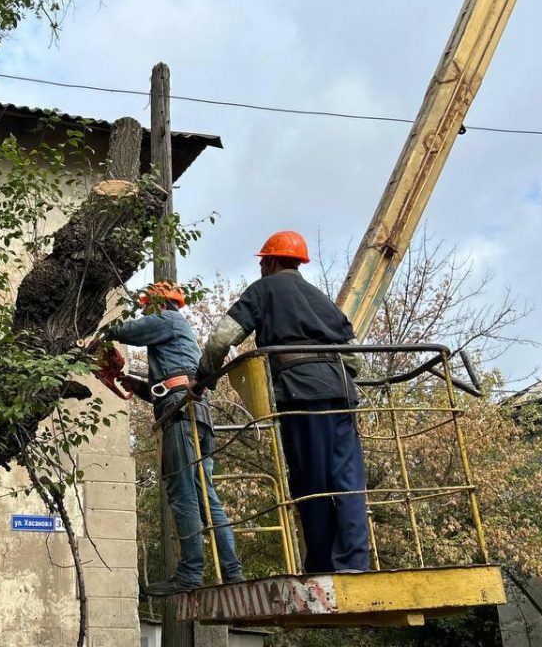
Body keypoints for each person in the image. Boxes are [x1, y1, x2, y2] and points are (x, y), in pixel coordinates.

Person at [194, 231, 371, 574]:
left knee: (311, 479)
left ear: (272, 262)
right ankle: (354, 563)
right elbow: (355, 360)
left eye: (263, 261)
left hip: (303, 396)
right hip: (343, 395)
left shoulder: (264, 290)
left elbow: (221, 340)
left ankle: (321, 565)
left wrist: (204, 378)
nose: (261, 267)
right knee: (348, 479)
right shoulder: (323, 299)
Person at [100, 281, 244, 595]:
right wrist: (131, 382)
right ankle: (232, 572)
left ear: (157, 303)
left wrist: (103, 330)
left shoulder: (168, 319)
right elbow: (162, 389)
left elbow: (130, 331)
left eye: (145, 306)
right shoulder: (173, 338)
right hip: (191, 413)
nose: (143, 311)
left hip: (182, 415)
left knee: (184, 495)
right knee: (206, 497)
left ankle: (190, 574)